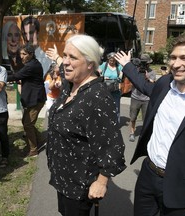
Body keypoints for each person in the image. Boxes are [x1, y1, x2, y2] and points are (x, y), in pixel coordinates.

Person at [115, 34, 185, 216]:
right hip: (147, 177)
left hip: (182, 189)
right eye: (173, 57)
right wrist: (127, 65)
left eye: (184, 58)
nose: (176, 64)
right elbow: (145, 87)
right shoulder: (164, 83)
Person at [47, 34, 126, 216]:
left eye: (72, 57)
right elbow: (63, 65)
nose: (66, 62)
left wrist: (102, 182)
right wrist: (59, 58)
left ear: (90, 64)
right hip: (63, 176)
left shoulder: (97, 97)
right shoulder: (71, 83)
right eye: (65, 55)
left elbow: (112, 145)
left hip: (79, 183)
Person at [7, 44, 46, 157]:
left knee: (28, 125)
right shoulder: (32, 64)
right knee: (27, 123)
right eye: (20, 54)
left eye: (24, 54)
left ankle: (33, 150)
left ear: (31, 54)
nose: (21, 56)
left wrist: (1, 76)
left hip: (36, 99)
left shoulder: (31, 66)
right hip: (33, 98)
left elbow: (16, 76)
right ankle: (40, 139)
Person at [128, 55, 156, 142]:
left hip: (146, 99)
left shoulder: (152, 72)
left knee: (145, 118)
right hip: (135, 97)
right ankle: (132, 132)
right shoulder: (136, 71)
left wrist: (147, 78)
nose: (146, 65)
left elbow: (153, 83)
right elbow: (131, 79)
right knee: (133, 117)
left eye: (147, 63)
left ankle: (144, 134)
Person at [98, 52, 123, 122]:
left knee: (116, 108)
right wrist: (102, 76)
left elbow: (121, 76)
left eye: (114, 60)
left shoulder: (119, 66)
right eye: (111, 60)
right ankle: (105, 123)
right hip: (105, 91)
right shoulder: (104, 65)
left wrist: (120, 75)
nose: (112, 62)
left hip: (116, 91)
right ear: (108, 59)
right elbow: (97, 72)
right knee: (105, 108)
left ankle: (116, 125)